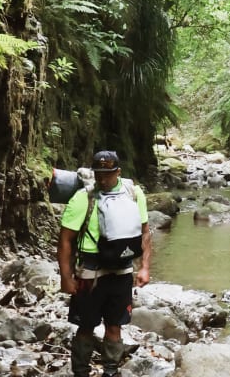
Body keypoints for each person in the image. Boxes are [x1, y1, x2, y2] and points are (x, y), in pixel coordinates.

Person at [58, 150, 152, 377]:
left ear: (118, 172)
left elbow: (145, 232)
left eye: (108, 174)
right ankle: (80, 371)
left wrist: (145, 267)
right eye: (98, 174)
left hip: (122, 271)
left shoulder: (133, 193)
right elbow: (65, 241)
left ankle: (110, 371)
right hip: (90, 273)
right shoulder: (84, 197)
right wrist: (66, 276)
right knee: (86, 326)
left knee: (115, 325)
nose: (102, 179)